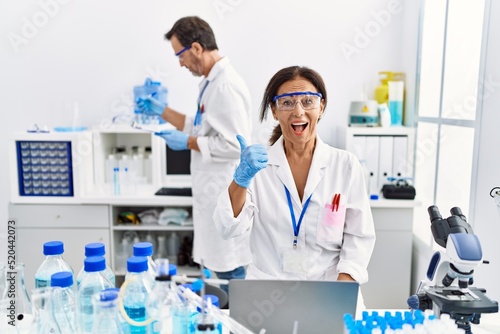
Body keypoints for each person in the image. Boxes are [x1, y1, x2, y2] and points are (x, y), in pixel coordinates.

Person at [213, 66, 376, 299]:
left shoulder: (345, 165)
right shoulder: (256, 165)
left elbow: (359, 237)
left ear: (321, 107)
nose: (298, 111)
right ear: (274, 110)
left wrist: (341, 290)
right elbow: (227, 228)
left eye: (308, 101)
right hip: (268, 293)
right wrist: (242, 178)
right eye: (287, 103)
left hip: (329, 289)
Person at [136, 16, 253, 294]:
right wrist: (161, 111)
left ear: (197, 48)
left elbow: (235, 145)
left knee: (229, 288)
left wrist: (187, 142)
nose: (180, 63)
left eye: (180, 54)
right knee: (217, 281)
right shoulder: (211, 83)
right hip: (213, 200)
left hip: (225, 200)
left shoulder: (225, 85)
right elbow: (201, 127)